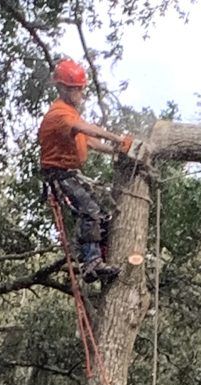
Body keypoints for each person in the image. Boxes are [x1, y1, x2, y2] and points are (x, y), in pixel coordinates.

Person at [38, 58, 134, 283]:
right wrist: (118, 139)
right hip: (58, 176)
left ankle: (100, 256)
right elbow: (85, 128)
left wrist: (115, 150)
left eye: (81, 89)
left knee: (103, 216)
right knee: (89, 211)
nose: (80, 94)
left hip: (68, 174)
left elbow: (88, 140)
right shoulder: (60, 114)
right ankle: (90, 263)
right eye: (76, 90)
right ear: (62, 88)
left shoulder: (69, 113)